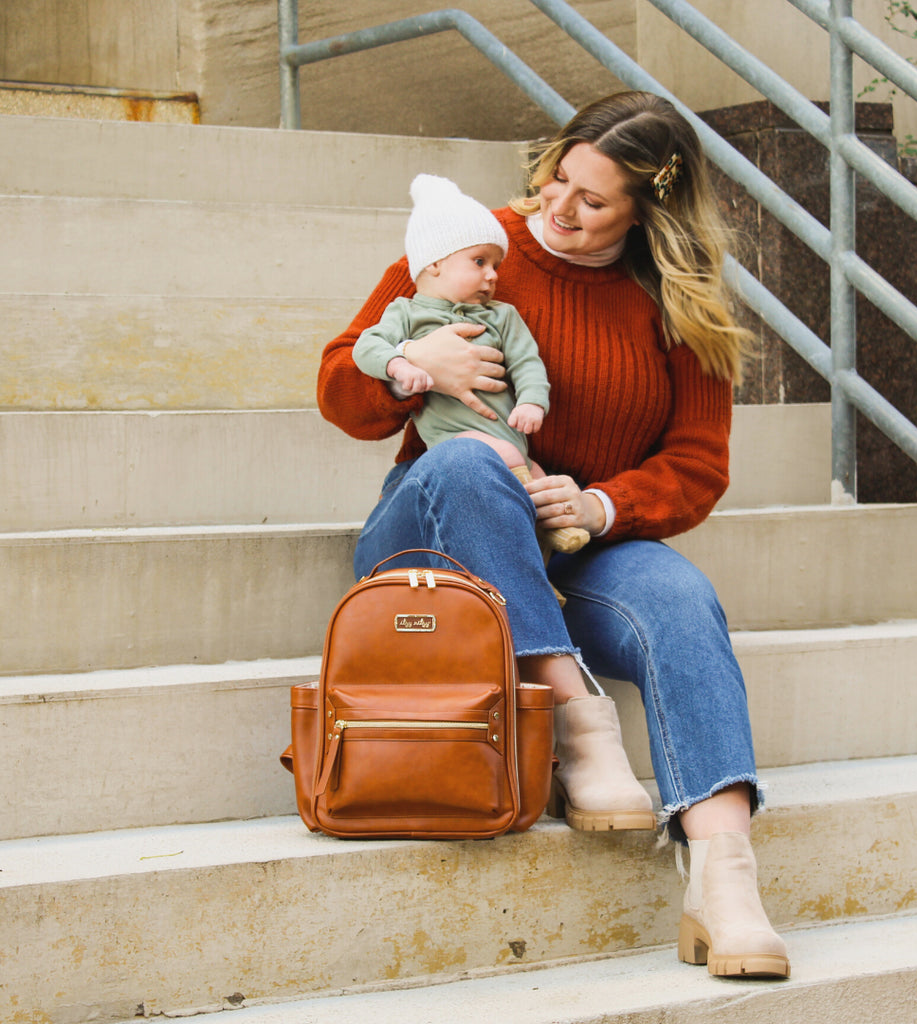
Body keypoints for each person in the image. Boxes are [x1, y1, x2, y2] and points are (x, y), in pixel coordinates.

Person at [318, 90, 789, 979]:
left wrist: (601, 506)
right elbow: (341, 381)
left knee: (682, 599)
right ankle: (577, 721)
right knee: (472, 466)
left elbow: (697, 463)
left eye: (594, 200)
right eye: (557, 178)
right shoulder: (475, 248)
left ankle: (725, 886)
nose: (557, 210)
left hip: (579, 546)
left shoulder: (675, 300)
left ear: (650, 211)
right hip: (437, 535)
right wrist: (424, 376)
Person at [353, 173, 588, 554]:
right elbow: (366, 346)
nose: (493, 275)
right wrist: (403, 363)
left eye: (495, 265)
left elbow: (528, 362)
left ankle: (545, 552)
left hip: (511, 436)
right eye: (479, 261)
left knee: (543, 483)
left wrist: (532, 401)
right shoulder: (406, 312)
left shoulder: (502, 316)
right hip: (455, 440)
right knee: (508, 463)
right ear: (434, 264)